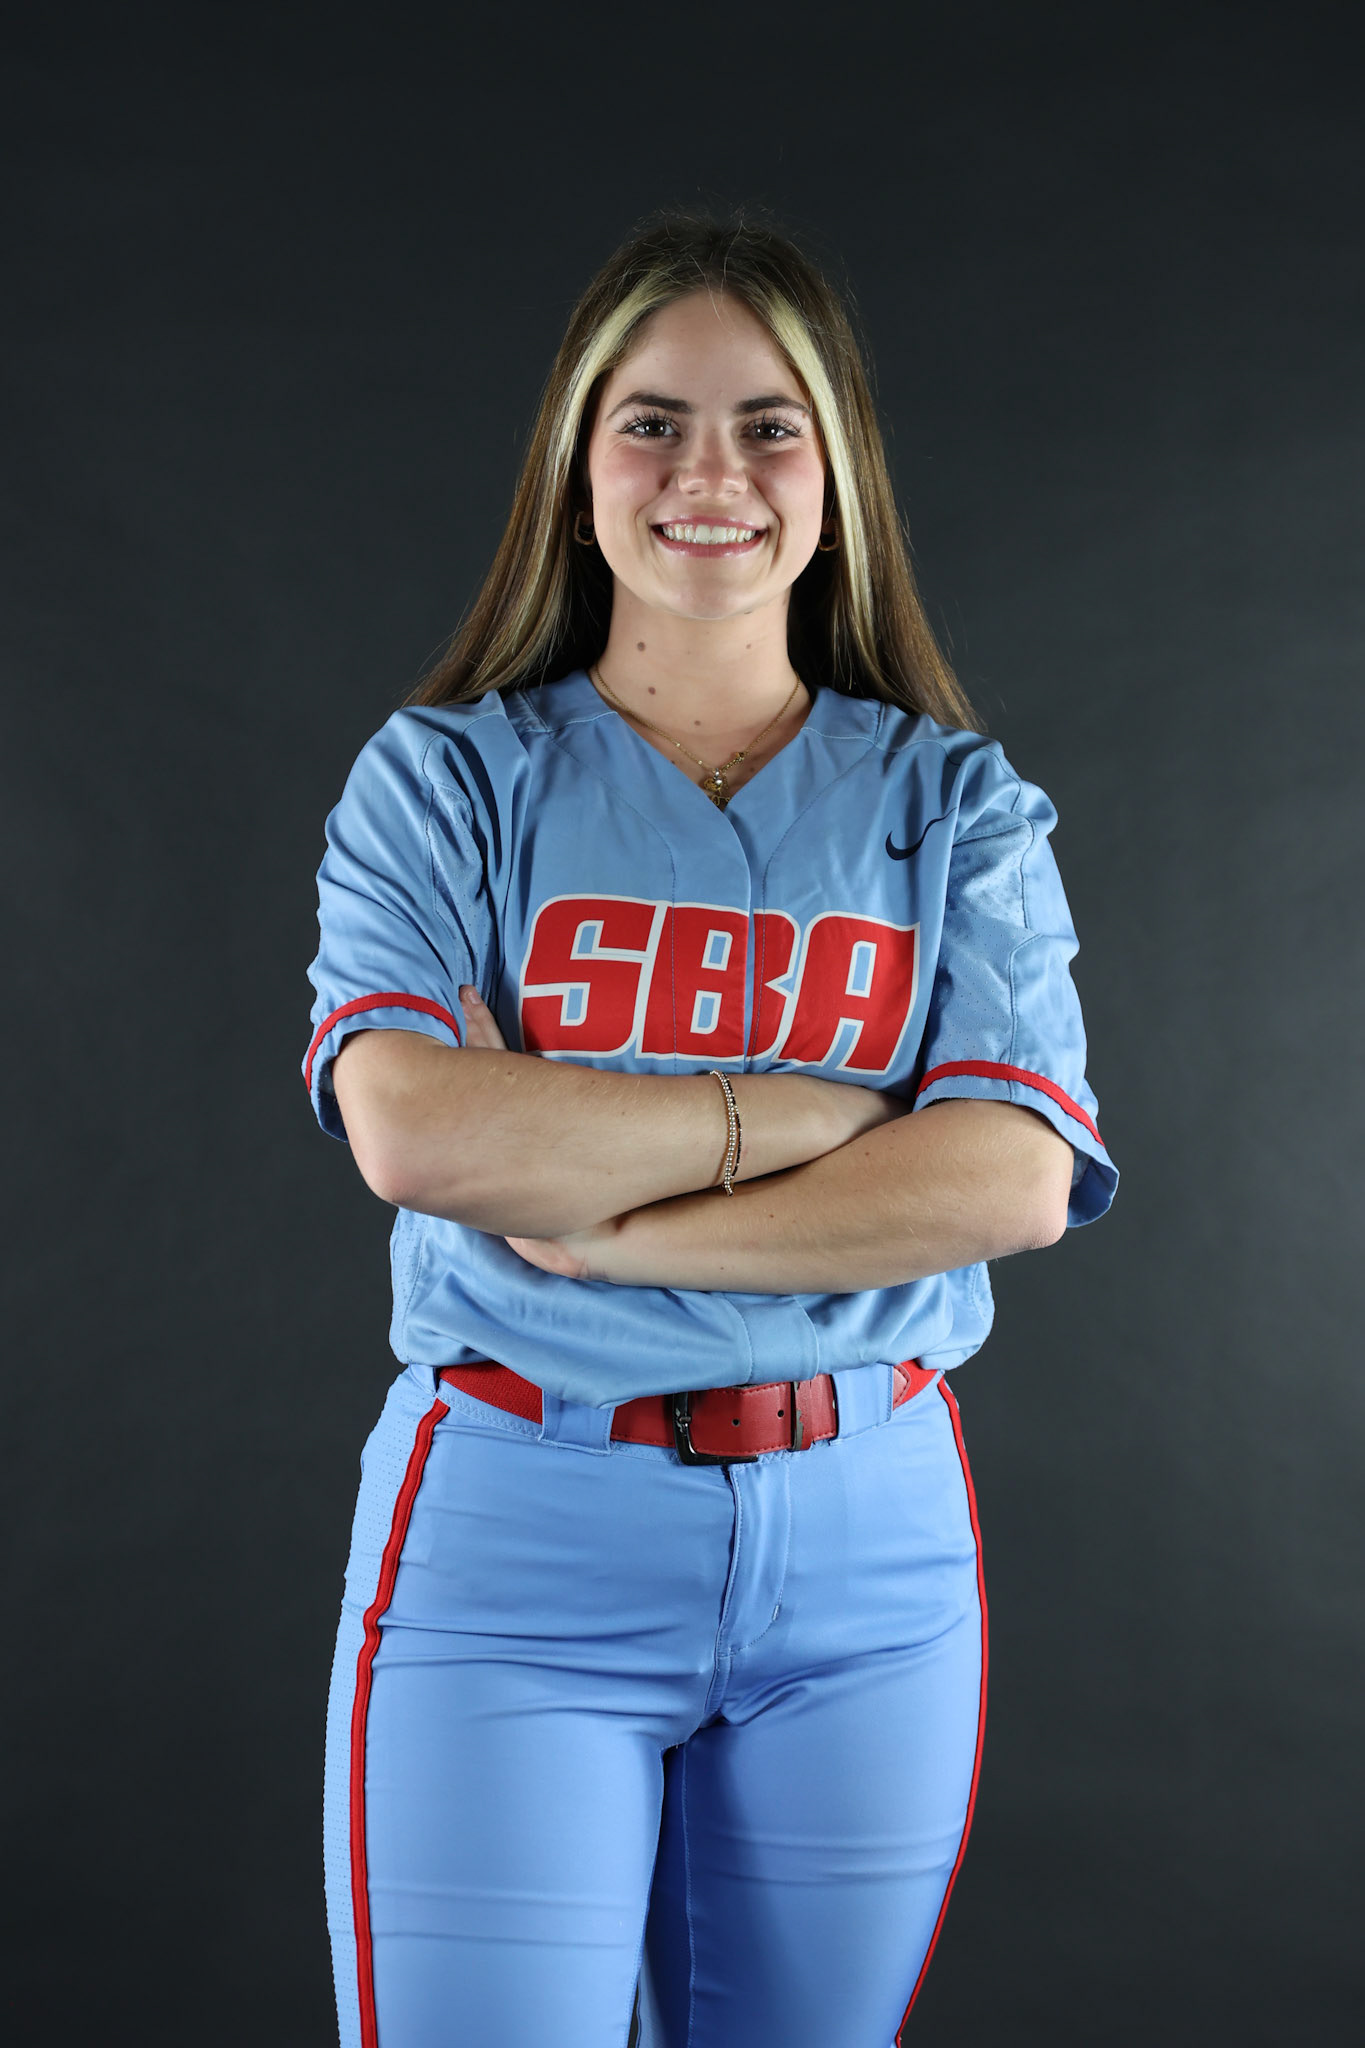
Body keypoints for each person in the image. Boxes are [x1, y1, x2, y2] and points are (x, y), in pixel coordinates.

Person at [302, 211, 1118, 2048]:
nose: (708, 474)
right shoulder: (448, 782)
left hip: (872, 1550)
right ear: (574, 464)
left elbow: (1009, 1174)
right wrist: (811, 1118)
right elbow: (413, 1130)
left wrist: (602, 1220)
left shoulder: (955, 804)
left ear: (838, 473)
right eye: (650, 422)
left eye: (767, 425)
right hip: (518, 1525)